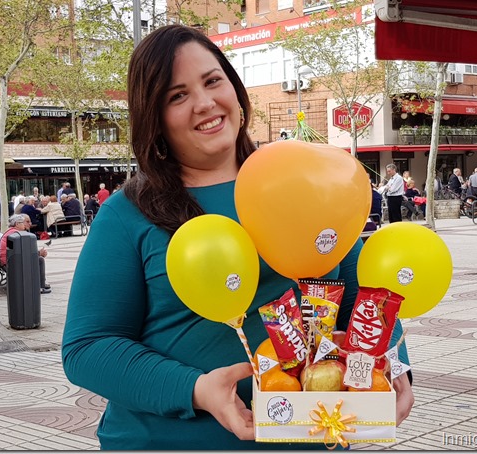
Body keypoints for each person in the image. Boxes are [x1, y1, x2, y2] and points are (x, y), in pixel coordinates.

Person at [61, 25, 413, 450]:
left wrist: (395, 367)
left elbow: (366, 295)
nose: (205, 103)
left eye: (213, 81)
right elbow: (88, 348)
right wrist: (196, 389)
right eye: (178, 96)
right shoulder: (127, 213)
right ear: (154, 117)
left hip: (308, 435)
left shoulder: (302, 181)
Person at [0, 214, 51, 294]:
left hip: (9, 259)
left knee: (38, 258)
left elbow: (21, 251)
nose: (24, 224)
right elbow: (24, 252)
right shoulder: (16, 234)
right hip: (12, 262)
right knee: (39, 260)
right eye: (22, 222)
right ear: (17, 224)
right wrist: (39, 253)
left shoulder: (11, 232)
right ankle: (40, 286)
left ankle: (40, 284)